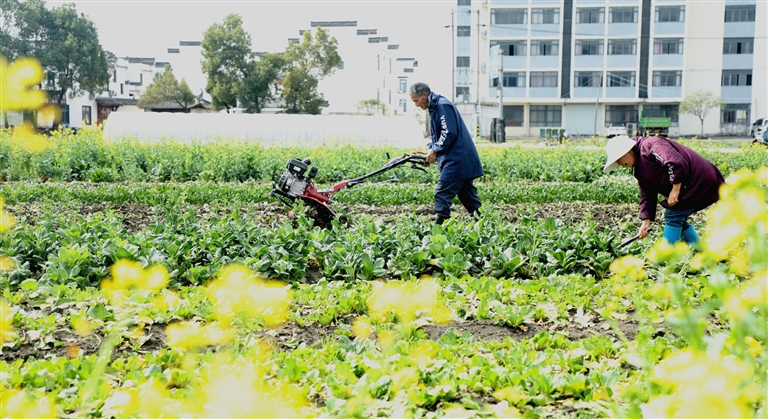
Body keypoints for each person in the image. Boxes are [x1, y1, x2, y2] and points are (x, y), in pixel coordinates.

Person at [603, 135, 725, 247]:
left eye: (619, 159)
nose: (620, 164)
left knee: (674, 215)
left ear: (627, 151)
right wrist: (646, 221)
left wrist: (675, 189)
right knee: (678, 219)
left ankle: (667, 256)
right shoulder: (639, 170)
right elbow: (647, 194)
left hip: (700, 180)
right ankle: (700, 251)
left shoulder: (650, 145)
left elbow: (675, 163)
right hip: (691, 184)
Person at [409, 82, 484, 225]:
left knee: (442, 193)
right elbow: (438, 135)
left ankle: (440, 228)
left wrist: (436, 150)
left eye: (416, 101)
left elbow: (448, 132)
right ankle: (484, 225)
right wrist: (431, 149)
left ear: (425, 95)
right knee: (468, 196)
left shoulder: (442, 106)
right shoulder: (434, 107)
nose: (416, 105)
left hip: (457, 159)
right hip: (459, 158)